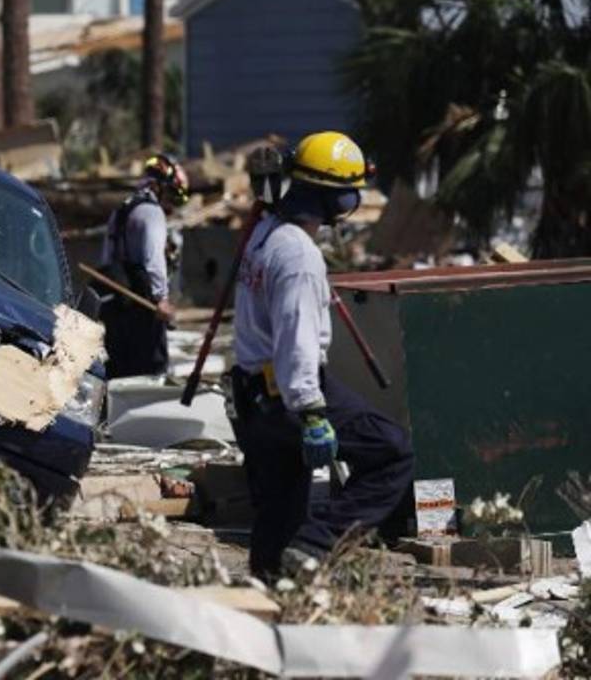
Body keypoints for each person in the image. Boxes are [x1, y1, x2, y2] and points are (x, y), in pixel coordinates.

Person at [231, 131, 414, 576]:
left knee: (279, 511)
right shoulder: (298, 255)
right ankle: (317, 545)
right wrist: (312, 414)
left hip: (252, 392)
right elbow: (297, 341)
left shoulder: (264, 235)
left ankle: (269, 593)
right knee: (392, 453)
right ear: (333, 199)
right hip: (291, 393)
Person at [98, 153, 189, 379]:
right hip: (143, 306)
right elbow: (153, 258)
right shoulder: (152, 212)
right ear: (160, 187)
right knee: (150, 372)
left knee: (119, 371)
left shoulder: (122, 209)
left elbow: (106, 258)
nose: (169, 206)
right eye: (170, 197)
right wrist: (161, 299)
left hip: (117, 300)